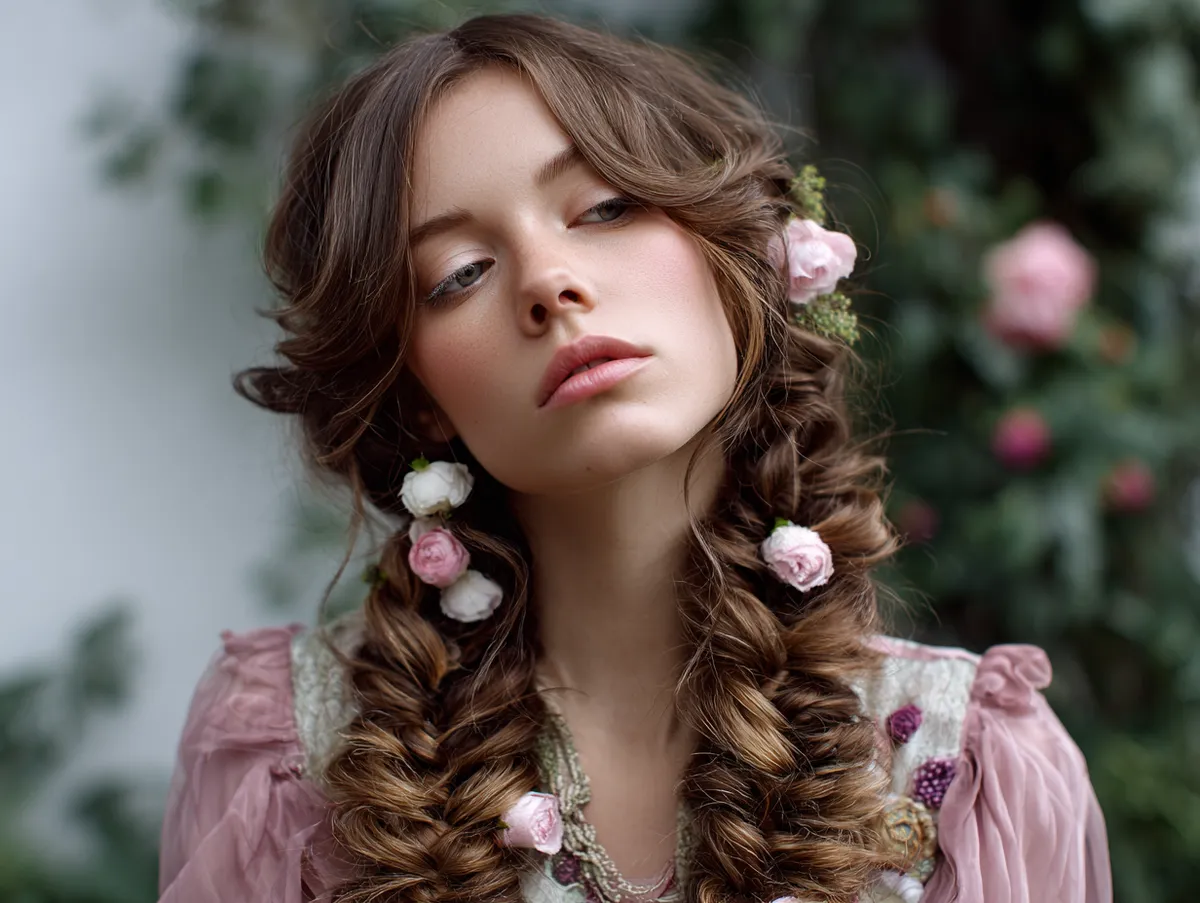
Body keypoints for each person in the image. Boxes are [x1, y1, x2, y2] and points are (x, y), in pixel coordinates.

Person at [156, 14, 1112, 903]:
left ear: (738, 257)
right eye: (459, 274)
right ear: (418, 401)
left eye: (606, 207)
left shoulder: (967, 768)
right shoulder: (295, 765)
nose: (548, 282)